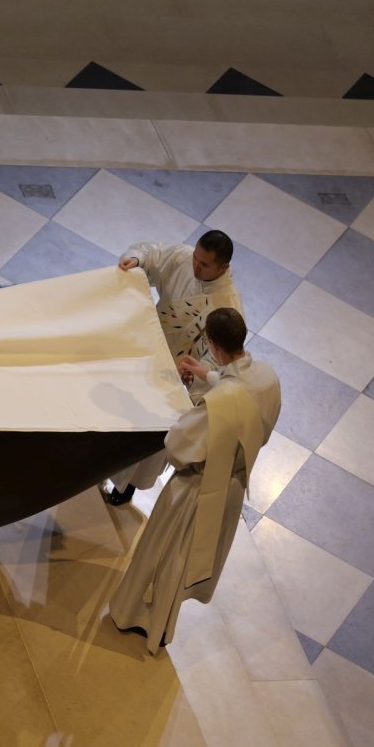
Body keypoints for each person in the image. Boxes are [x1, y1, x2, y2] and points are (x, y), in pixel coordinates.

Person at [108, 308, 280, 655]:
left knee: (166, 556)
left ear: (213, 344)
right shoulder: (267, 378)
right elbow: (242, 396)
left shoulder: (219, 405)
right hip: (231, 485)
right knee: (184, 561)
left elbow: (178, 447)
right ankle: (163, 627)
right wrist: (207, 376)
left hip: (196, 489)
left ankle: (140, 620)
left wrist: (183, 414)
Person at [105, 230, 244, 505]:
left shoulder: (228, 307)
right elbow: (155, 255)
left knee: (142, 433)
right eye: (195, 258)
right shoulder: (185, 259)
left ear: (223, 267)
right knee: (115, 410)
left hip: (174, 376)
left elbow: (220, 361)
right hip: (147, 343)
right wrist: (136, 259)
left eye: (204, 265)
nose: (195, 266)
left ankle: (124, 489)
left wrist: (195, 370)